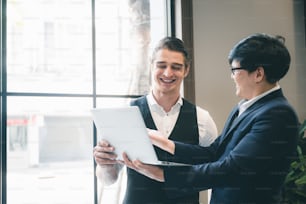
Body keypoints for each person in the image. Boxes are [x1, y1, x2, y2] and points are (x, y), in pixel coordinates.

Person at [123, 33, 299, 204]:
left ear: (258, 74)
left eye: (235, 70)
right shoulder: (243, 108)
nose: (232, 76)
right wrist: (166, 143)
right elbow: (214, 153)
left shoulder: (278, 114)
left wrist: (162, 175)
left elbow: (232, 169)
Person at [93, 36, 218, 204]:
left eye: (176, 67)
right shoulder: (126, 115)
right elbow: (108, 180)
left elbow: (213, 174)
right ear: (151, 66)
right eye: (161, 65)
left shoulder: (202, 119)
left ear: (186, 70)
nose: (168, 73)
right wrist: (104, 165)